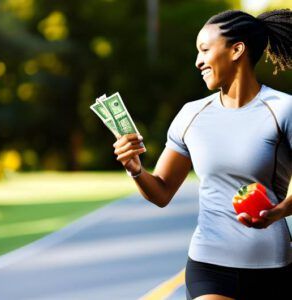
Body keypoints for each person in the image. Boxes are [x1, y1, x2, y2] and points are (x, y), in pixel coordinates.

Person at [113, 9, 292, 300]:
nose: (198, 62)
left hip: (272, 266)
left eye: (205, 50)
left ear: (236, 50)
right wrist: (135, 169)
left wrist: (278, 212)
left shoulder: (282, 109)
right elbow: (161, 191)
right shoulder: (191, 115)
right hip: (209, 264)